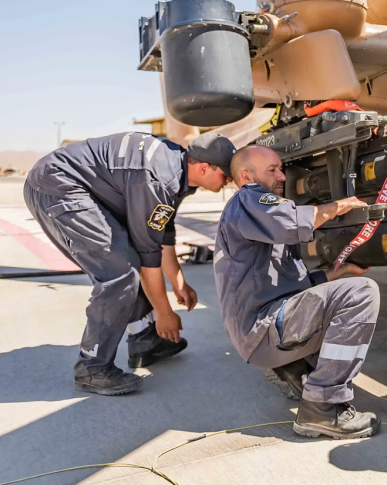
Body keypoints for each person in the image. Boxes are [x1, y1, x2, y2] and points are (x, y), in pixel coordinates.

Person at [24, 131, 236, 395]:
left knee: (129, 259)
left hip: (76, 185)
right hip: (57, 186)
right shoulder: (159, 179)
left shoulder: (177, 169)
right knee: (118, 273)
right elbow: (149, 257)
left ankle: (145, 340)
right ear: (204, 168)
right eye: (226, 174)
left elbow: (161, 235)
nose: (229, 180)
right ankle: (92, 368)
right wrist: (165, 312)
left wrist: (179, 283)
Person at [215, 144, 381, 439]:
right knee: (361, 293)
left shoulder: (259, 221)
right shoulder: (247, 198)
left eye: (281, 168)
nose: (281, 175)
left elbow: (289, 280)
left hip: (262, 331)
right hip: (263, 331)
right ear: (246, 176)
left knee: (344, 289)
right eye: (272, 170)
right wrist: (341, 205)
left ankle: (295, 370)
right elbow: (294, 222)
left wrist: (334, 274)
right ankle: (322, 407)